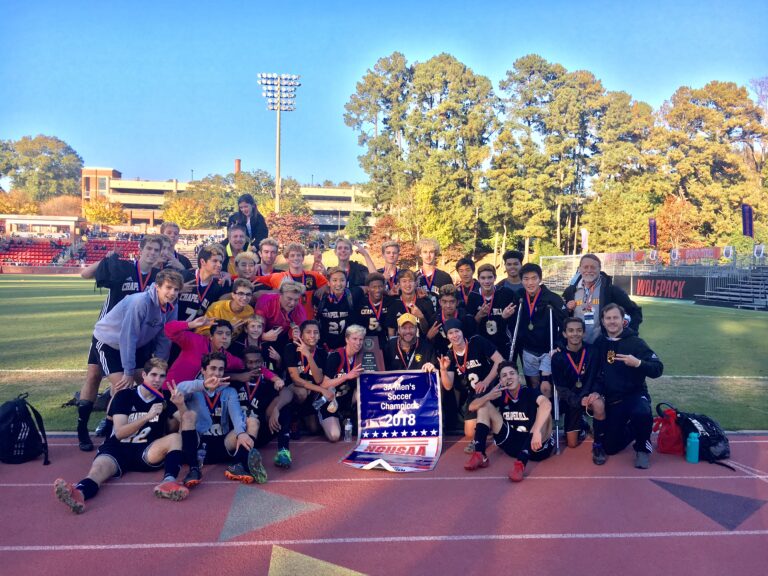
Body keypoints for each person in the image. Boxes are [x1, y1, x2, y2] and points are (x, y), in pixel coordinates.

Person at [54, 359, 194, 514]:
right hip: (118, 448)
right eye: (153, 375)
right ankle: (79, 493)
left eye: (161, 376)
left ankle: (168, 482)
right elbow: (120, 432)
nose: (157, 380)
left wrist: (181, 405)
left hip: (145, 450)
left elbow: (187, 421)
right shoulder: (125, 395)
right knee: (97, 471)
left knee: (175, 438)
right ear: (144, 375)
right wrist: (148, 416)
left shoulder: (165, 397)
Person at [76, 234, 164, 451]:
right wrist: (105, 260)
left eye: (156, 250)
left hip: (138, 338)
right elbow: (84, 274)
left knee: (129, 383)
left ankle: (111, 424)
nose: (152, 253)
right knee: (94, 375)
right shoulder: (123, 268)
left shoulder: (159, 277)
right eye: (149, 249)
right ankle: (82, 429)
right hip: (110, 334)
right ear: (140, 248)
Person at [88, 269, 183, 440]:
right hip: (109, 342)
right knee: (124, 386)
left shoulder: (171, 306)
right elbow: (127, 337)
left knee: (151, 383)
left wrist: (160, 365)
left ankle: (152, 426)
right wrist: (128, 371)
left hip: (136, 345)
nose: (172, 293)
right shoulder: (141, 302)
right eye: (168, 288)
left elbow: (165, 337)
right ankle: (110, 429)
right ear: (157, 287)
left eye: (176, 290)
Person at [177, 352, 268, 485]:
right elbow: (180, 388)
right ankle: (193, 469)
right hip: (197, 445)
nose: (217, 373)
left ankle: (239, 464)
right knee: (187, 416)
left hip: (222, 444)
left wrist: (242, 433)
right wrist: (203, 385)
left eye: (221, 369)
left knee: (252, 421)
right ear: (203, 370)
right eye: (213, 368)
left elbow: (236, 415)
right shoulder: (194, 389)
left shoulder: (229, 391)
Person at [592, 303, 663, 469]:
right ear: (602, 321)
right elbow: (596, 373)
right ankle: (634, 427)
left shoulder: (636, 342)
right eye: (608, 318)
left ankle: (642, 448)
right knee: (610, 448)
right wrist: (596, 391)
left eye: (615, 318)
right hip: (613, 400)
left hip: (634, 395)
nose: (612, 322)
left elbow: (657, 368)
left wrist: (638, 363)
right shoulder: (600, 343)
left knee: (642, 411)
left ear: (623, 320)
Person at [464, 361, 554, 482]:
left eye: (512, 373)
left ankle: (520, 464)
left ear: (519, 377)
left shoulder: (528, 392)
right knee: (484, 406)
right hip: (511, 443)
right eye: (504, 375)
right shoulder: (500, 394)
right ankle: (480, 454)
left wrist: (537, 431)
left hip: (534, 445)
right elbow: (471, 406)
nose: (509, 377)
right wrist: (488, 396)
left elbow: (547, 404)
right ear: (501, 381)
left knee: (544, 413)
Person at [438, 319, 504, 451]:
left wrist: (486, 381)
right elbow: (448, 386)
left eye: (457, 331)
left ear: (462, 332)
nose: (455, 335)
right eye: (451, 333)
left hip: (490, 386)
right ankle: (492, 422)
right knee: (469, 432)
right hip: (473, 394)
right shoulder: (450, 355)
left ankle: (486, 434)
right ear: (447, 336)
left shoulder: (477, 341)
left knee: (481, 413)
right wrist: (443, 370)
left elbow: (500, 361)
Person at [233, 347, 294, 469]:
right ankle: (244, 459)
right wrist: (237, 377)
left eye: (257, 362)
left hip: (261, 431)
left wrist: (276, 409)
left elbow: (288, 392)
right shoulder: (235, 381)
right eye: (250, 362)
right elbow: (222, 376)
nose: (254, 365)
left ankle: (283, 451)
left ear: (262, 362)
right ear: (244, 363)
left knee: (283, 406)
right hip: (238, 433)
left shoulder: (267, 380)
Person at [563, 253, 643, 344]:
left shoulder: (610, 290)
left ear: (599, 269)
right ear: (580, 269)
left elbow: (635, 312)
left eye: (593, 267)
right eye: (585, 267)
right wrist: (568, 310)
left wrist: (630, 335)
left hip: (603, 346)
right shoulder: (570, 291)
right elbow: (561, 317)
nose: (589, 270)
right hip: (578, 347)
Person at [513, 263, 566, 390]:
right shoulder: (519, 295)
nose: (530, 282)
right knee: (534, 384)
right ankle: (535, 408)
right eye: (526, 279)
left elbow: (565, 322)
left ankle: (549, 409)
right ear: (521, 280)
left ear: (540, 279)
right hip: (528, 350)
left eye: (534, 278)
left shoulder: (553, 298)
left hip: (548, 350)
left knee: (546, 385)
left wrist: (560, 344)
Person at [550, 317, 599, 449]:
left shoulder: (593, 351)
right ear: (565, 334)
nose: (575, 334)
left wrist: (591, 395)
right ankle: (582, 424)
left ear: (583, 333)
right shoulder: (558, 357)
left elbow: (597, 377)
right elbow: (560, 387)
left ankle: (600, 429)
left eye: (579, 330)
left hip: (588, 396)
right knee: (572, 444)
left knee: (599, 404)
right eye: (571, 331)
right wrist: (577, 401)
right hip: (571, 400)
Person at [165, 317, 246, 387]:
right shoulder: (195, 341)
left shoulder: (228, 358)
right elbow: (168, 329)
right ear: (211, 337)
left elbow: (245, 365)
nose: (224, 337)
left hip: (196, 399)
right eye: (220, 333)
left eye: (228, 334)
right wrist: (191, 324)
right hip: (171, 390)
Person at [256, 242, 328, 320]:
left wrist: (324, 287)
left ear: (303, 258)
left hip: (307, 322)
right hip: (287, 323)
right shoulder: (278, 276)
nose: (296, 258)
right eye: (292, 255)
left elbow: (331, 284)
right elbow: (255, 278)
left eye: (298, 255)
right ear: (287, 259)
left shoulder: (314, 276)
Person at [319, 325, 366, 442]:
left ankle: (347, 417)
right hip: (330, 401)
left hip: (347, 400)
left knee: (364, 391)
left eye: (361, 339)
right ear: (346, 339)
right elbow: (324, 385)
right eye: (354, 339)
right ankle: (323, 417)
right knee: (334, 436)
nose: (358, 342)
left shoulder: (361, 357)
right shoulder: (335, 356)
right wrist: (346, 376)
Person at [283, 320, 328, 434]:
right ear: (301, 335)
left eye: (316, 332)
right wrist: (320, 389)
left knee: (314, 429)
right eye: (308, 332)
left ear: (319, 335)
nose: (312, 335)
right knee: (302, 392)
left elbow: (318, 379)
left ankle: (302, 419)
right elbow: (296, 379)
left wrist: (308, 355)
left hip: (312, 394)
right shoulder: (291, 348)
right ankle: (293, 418)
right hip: (295, 390)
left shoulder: (322, 352)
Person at [176, 243, 228, 325]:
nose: (219, 265)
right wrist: (176, 290)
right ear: (203, 262)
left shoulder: (217, 286)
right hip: (174, 328)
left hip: (196, 332)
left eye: (220, 262)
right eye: (215, 261)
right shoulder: (184, 276)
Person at [473, 263, 518, 355]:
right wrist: (479, 315)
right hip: (482, 342)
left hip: (502, 342)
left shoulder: (506, 293)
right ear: (478, 279)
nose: (487, 281)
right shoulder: (473, 296)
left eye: (490, 277)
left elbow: (513, 321)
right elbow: (471, 324)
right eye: (483, 278)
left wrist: (504, 317)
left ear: (495, 278)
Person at [254, 279, 308, 351]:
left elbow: (302, 336)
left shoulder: (299, 310)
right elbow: (253, 329)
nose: (292, 303)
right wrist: (263, 336)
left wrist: (297, 338)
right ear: (280, 294)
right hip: (260, 335)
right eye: (289, 299)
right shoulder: (265, 303)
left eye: (296, 300)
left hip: (283, 338)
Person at [314, 267, 360, 350]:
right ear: (328, 282)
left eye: (342, 280)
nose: (338, 284)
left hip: (345, 345)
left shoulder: (352, 296)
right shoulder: (320, 298)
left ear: (346, 282)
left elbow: (368, 288)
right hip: (325, 344)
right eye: (334, 280)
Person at [425, 284, 476, 356]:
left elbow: (474, 343)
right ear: (440, 302)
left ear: (457, 302)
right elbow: (427, 347)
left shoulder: (466, 318)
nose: (448, 305)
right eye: (444, 302)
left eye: (452, 302)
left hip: (464, 357)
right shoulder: (434, 320)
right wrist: (428, 337)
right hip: (441, 358)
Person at [385, 269, 435, 337]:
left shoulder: (426, 303)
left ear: (416, 283)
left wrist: (421, 317)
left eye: (411, 281)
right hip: (400, 345)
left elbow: (427, 331)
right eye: (404, 281)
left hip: (420, 344)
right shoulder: (393, 303)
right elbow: (391, 332)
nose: (408, 284)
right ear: (399, 285)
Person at [352, 272, 391, 350]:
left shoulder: (389, 302)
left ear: (384, 287)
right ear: (368, 288)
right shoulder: (360, 303)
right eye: (374, 287)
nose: (377, 290)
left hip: (384, 342)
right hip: (364, 342)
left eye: (380, 287)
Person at [415, 238, 453, 310]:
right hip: (421, 318)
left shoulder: (445, 277)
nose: (428, 255)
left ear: (435, 253)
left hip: (440, 318)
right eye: (425, 252)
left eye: (431, 252)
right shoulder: (414, 277)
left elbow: (451, 300)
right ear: (420, 254)